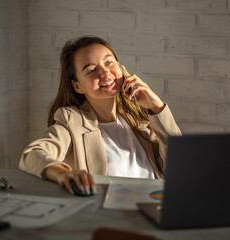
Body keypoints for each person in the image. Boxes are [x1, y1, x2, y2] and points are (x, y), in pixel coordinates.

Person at [19, 36, 181, 196]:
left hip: (156, 209)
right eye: (91, 70)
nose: (104, 73)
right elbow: (32, 155)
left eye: (109, 62)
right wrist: (63, 174)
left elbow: (179, 166)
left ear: (121, 68)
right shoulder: (72, 121)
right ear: (77, 86)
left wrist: (156, 107)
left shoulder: (137, 120)